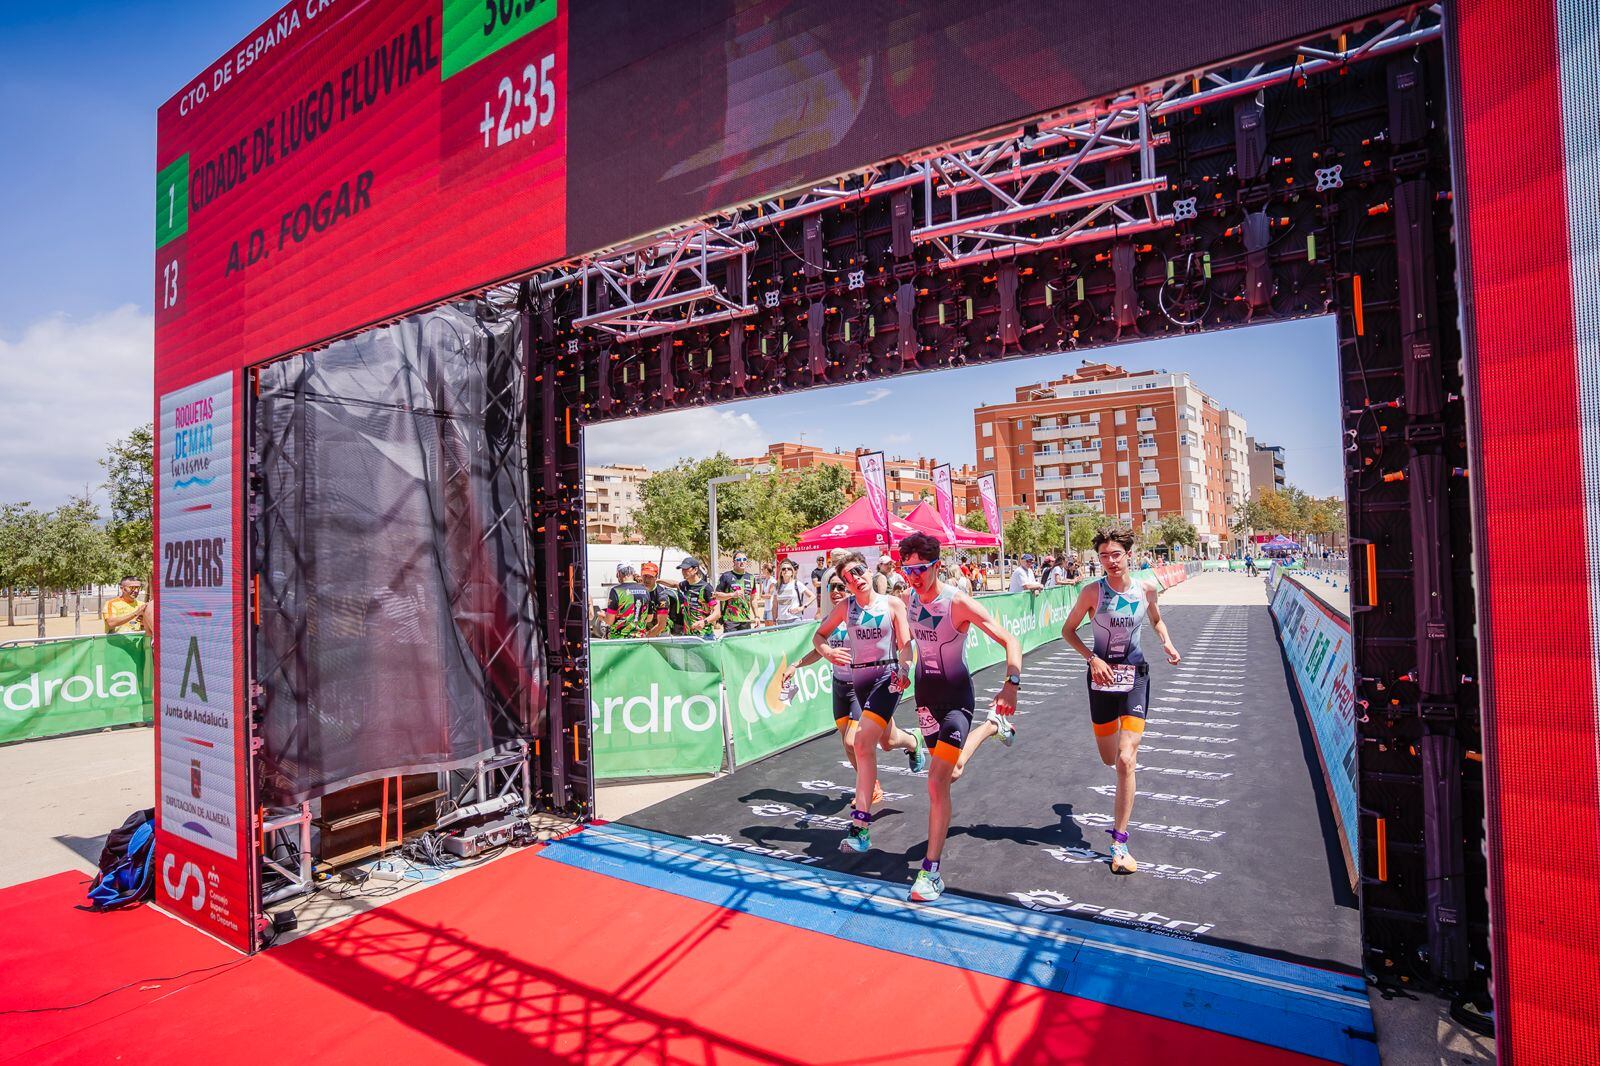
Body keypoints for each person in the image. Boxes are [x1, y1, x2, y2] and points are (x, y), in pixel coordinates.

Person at [895, 532, 1022, 902]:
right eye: (908, 570)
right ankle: (990, 727)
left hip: (955, 701)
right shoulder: (907, 598)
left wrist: (1011, 683)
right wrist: (904, 665)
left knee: (936, 784)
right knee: (950, 772)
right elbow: (907, 644)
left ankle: (931, 871)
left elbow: (1010, 640)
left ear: (936, 565)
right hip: (924, 700)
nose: (913, 576)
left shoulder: (958, 603)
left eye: (920, 569)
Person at [1060, 527, 1182, 875]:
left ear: (1128, 554)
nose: (1110, 561)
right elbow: (1067, 631)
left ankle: (1120, 842)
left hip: (1135, 677)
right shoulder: (1091, 593)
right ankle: (1117, 825)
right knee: (1108, 758)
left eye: (1116, 554)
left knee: (1127, 760)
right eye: (1103, 556)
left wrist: (1167, 643)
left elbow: (1156, 619)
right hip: (1100, 679)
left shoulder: (1145, 588)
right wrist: (1092, 658)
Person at [782, 557, 926, 810]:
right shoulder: (844, 609)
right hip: (850, 685)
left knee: (855, 742)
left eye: (857, 573)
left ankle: (864, 807)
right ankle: (913, 740)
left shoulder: (892, 604)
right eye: (845, 581)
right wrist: (826, 653)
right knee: (886, 742)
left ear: (869, 571)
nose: (854, 581)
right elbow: (819, 638)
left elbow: (905, 646)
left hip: (885, 678)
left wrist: (904, 668)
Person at [671, 557, 720, 636]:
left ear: (695, 570)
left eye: (686, 569)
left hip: (704, 635)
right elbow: (674, 584)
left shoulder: (706, 588)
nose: (683, 572)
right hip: (687, 635)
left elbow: (717, 613)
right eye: (682, 569)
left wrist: (704, 622)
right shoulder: (685, 585)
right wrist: (657, 581)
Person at [715, 551, 761, 632]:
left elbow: (753, 599)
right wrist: (732, 595)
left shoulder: (751, 577)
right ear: (734, 562)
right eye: (739, 559)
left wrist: (757, 616)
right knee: (730, 643)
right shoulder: (726, 576)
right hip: (730, 620)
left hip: (745, 620)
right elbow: (717, 595)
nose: (742, 561)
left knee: (743, 644)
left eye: (744, 559)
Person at [766, 559, 814, 625]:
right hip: (781, 621)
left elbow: (812, 596)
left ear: (792, 572)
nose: (786, 570)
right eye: (783, 569)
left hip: (795, 619)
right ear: (781, 573)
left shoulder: (797, 583)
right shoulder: (777, 586)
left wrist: (802, 608)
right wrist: (774, 620)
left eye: (788, 569)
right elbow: (775, 605)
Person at [637, 562, 675, 637]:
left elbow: (661, 625)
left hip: (659, 634)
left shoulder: (661, 596)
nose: (647, 580)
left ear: (656, 577)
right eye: (645, 576)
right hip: (642, 632)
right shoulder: (637, 590)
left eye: (650, 576)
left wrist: (646, 638)